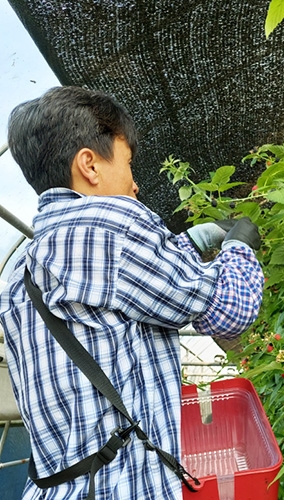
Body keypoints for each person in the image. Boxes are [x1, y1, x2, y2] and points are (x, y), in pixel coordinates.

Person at [0, 86, 264, 500]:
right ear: (89, 164)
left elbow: (125, 288)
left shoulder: (20, 269)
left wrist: (197, 237)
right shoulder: (114, 224)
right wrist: (239, 247)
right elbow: (229, 312)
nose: (136, 185)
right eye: (127, 163)